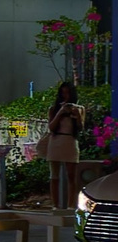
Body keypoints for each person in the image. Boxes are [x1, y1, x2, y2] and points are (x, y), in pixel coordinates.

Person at [43, 80, 86, 211]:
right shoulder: (54, 109)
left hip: (70, 141)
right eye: (63, 94)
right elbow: (51, 127)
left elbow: (81, 128)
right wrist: (60, 112)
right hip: (56, 141)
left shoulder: (80, 109)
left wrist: (77, 116)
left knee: (72, 175)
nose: (65, 96)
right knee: (54, 176)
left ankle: (71, 205)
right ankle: (55, 205)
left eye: (67, 94)